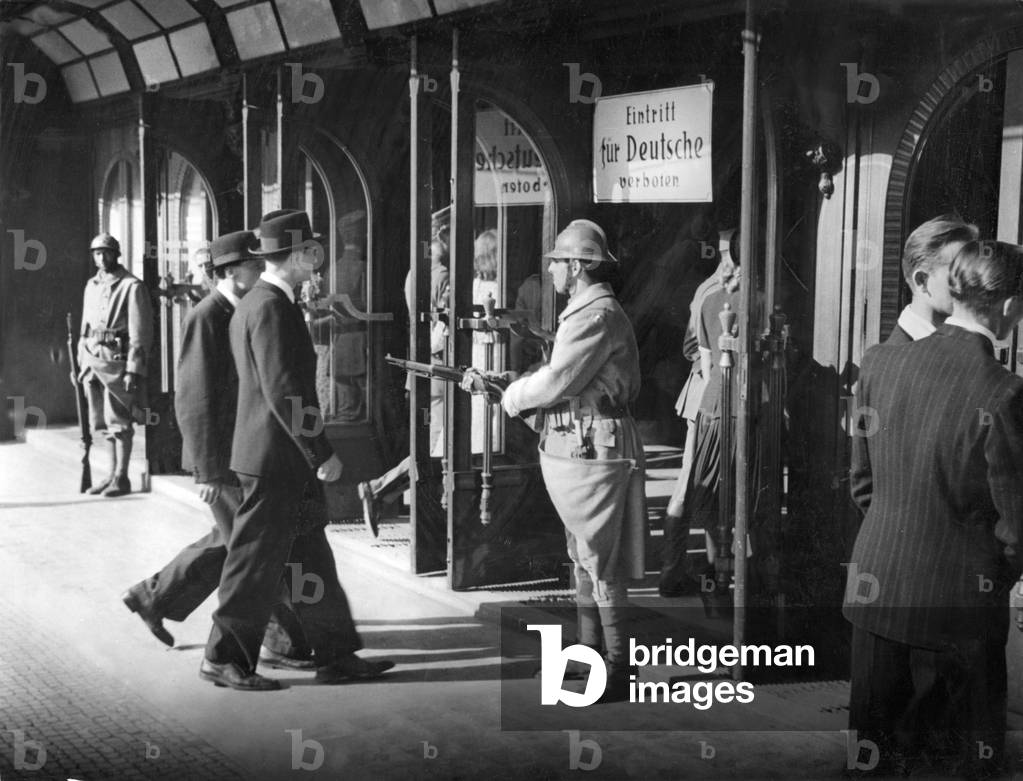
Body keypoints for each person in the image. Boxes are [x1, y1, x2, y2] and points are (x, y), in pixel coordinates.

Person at [844, 239, 1023, 778]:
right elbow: (1015, 527)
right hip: (959, 614)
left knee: (872, 763)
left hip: (875, 593)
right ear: (1010, 309)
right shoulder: (1005, 392)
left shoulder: (880, 362)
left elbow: (862, 483)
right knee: (954, 766)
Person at [201, 210, 393, 691]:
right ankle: (222, 659)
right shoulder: (269, 306)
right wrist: (320, 451)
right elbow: (286, 392)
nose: (317, 258)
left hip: (278, 458)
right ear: (298, 254)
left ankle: (336, 655)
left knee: (311, 560)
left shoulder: (262, 301)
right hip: (274, 462)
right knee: (252, 565)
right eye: (312, 250)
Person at [471, 218, 645, 703]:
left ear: (577, 265)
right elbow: (563, 374)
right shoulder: (586, 311)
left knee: (600, 559)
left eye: (556, 262)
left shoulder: (595, 314)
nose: (549, 270)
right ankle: (592, 656)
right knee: (581, 555)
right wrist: (514, 381)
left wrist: (513, 395)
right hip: (582, 443)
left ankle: (618, 667)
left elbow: (558, 381)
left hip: (597, 446)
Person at [121, 231, 312, 668]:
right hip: (224, 458)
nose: (261, 269)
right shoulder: (207, 316)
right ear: (231, 271)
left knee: (237, 541)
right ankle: (277, 641)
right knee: (253, 546)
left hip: (243, 454)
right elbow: (194, 399)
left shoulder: (239, 308)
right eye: (252, 264)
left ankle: (152, 597)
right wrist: (207, 471)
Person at [658, 233, 742, 598]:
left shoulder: (710, 287)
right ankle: (673, 570)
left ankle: (706, 568)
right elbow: (692, 346)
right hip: (708, 396)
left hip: (706, 394)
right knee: (693, 482)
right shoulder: (715, 290)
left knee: (706, 482)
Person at [357, 237, 450, 536]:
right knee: (436, 450)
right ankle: (378, 489)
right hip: (440, 373)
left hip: (423, 373)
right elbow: (443, 329)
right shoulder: (444, 277)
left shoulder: (414, 275)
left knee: (433, 448)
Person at [77, 233, 153, 497]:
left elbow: (140, 333)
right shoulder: (91, 285)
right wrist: (80, 360)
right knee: (100, 423)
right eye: (97, 253)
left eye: (106, 252)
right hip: (92, 360)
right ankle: (110, 474)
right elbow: (84, 327)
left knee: (119, 422)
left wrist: (134, 367)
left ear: (116, 254)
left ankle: (122, 477)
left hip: (116, 363)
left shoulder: (132, 287)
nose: (101, 258)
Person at [887, 214, 979, 344]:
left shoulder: (957, 342)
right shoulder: (895, 357)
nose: (973, 283)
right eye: (960, 272)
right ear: (922, 281)